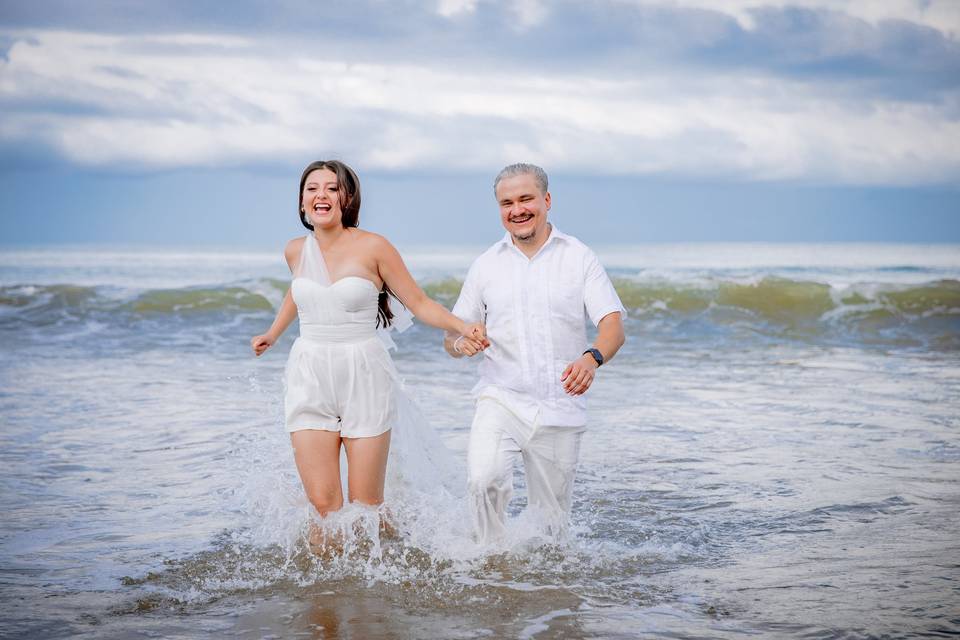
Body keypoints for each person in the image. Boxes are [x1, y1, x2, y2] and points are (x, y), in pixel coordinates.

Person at [251, 160, 486, 543]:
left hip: (363, 372)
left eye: (331, 188)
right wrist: (273, 333)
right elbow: (301, 291)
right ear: (301, 202)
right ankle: (322, 596)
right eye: (312, 188)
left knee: (365, 507)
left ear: (347, 198)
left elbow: (420, 302)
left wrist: (463, 327)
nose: (320, 195)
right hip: (309, 371)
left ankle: (385, 574)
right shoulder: (295, 250)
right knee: (324, 505)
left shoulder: (375, 246)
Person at [444, 162, 625, 542]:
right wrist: (464, 341)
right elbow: (453, 339)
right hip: (501, 397)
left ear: (546, 200)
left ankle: (541, 592)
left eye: (525, 198)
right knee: (482, 480)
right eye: (506, 202)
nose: (517, 210)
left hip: (560, 402)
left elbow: (613, 327)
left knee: (551, 527)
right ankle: (490, 564)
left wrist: (591, 358)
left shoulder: (579, 257)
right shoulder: (485, 265)